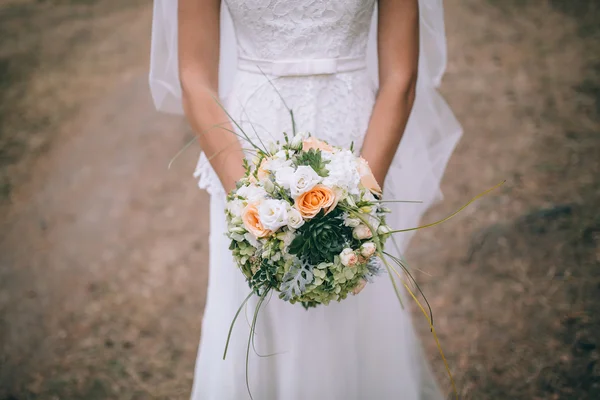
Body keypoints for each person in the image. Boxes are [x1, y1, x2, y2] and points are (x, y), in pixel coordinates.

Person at [150, 1, 462, 399]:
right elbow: (194, 77)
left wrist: (361, 199)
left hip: (360, 144)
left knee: (357, 301)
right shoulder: (248, 186)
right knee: (255, 310)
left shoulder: (362, 178)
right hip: (246, 149)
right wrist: (251, 200)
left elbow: (400, 76)